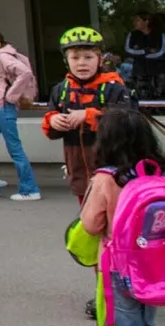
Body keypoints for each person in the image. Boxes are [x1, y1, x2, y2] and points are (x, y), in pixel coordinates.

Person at [79, 109, 165, 326]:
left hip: (122, 268)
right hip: (155, 267)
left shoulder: (106, 177)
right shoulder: (157, 171)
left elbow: (90, 225)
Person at [45, 27, 132, 202]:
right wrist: (52, 121)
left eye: (88, 57)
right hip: (78, 167)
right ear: (66, 61)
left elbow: (127, 121)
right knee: (88, 219)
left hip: (112, 166)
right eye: (75, 58)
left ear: (100, 60)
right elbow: (52, 122)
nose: (81, 63)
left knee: (113, 216)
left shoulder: (114, 87)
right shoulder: (61, 90)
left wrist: (88, 116)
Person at [0, 30, 42, 201]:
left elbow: (25, 73)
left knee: (14, 147)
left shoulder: (3, 57)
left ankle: (29, 189)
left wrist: (11, 96)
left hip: (3, 106)